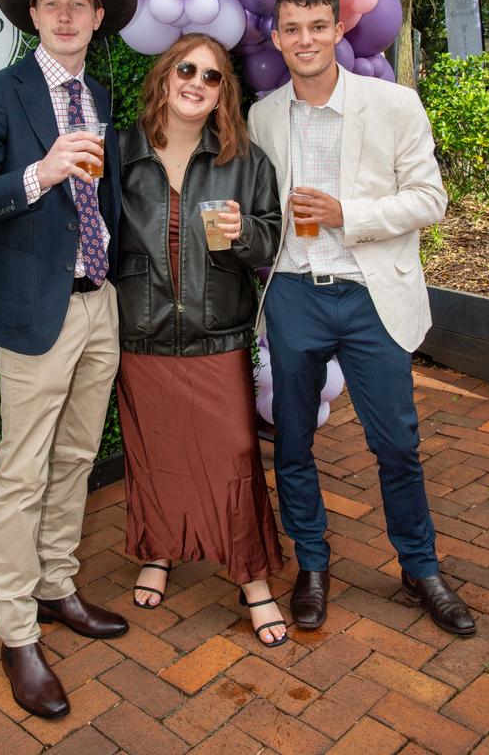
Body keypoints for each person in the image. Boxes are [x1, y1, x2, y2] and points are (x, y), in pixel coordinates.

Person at [248, 0, 475, 638]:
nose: (305, 39)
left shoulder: (395, 104)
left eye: (317, 25)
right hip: (293, 294)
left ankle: (420, 567)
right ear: (276, 37)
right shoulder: (263, 115)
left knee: (396, 444)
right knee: (292, 442)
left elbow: (430, 201)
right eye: (291, 28)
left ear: (340, 28)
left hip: (373, 295)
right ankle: (312, 566)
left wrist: (351, 215)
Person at [0, 0, 138, 719]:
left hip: (99, 305)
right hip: (35, 309)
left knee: (78, 456)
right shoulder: (0, 95)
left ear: (98, 18)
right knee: (22, 472)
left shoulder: (101, 91)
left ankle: (58, 587)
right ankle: (17, 632)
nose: (66, 15)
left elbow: (110, 202)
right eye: (52, 3)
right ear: (33, 14)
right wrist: (41, 173)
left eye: (80, 4)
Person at [116, 32, 287, 647]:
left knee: (235, 458)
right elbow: (88, 233)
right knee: (153, 451)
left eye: (212, 77)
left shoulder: (244, 160)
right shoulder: (120, 154)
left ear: (223, 94)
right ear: (164, 76)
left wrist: (242, 235)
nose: (196, 82)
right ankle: (158, 550)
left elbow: (270, 242)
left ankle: (253, 579)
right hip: (142, 333)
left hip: (219, 334)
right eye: (186, 68)